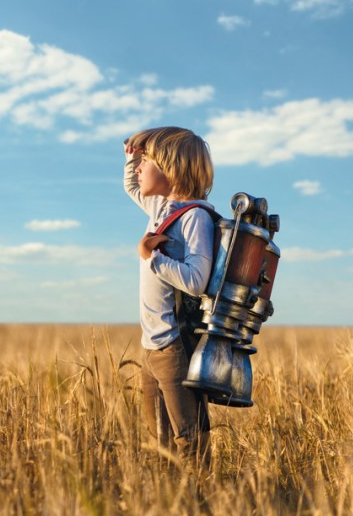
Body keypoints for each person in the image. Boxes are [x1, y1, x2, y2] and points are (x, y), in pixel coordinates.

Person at [123, 127, 216, 461]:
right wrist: (134, 153)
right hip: (152, 346)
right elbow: (131, 185)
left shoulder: (194, 217)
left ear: (171, 169)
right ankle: (171, 497)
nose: (138, 168)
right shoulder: (161, 208)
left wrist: (153, 258)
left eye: (145, 162)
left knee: (190, 440)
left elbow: (196, 280)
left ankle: (202, 499)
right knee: (160, 442)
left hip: (175, 346)